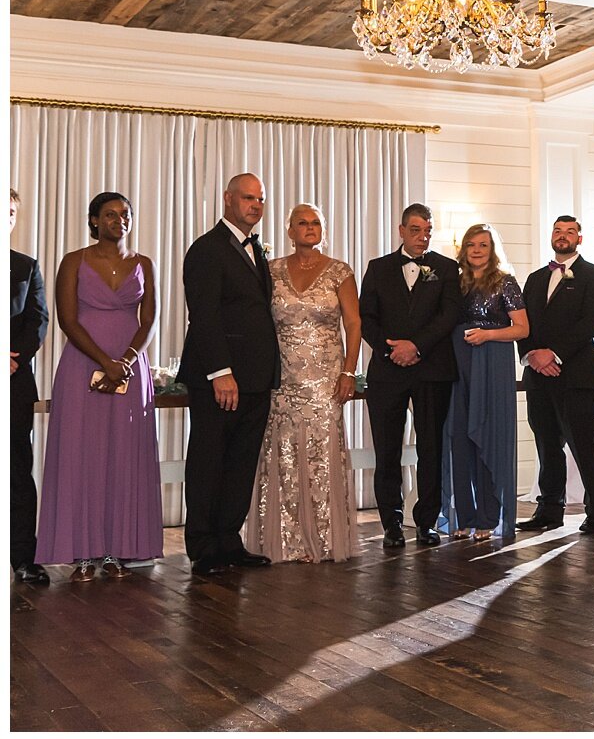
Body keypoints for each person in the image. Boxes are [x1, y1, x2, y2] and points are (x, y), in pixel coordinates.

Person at [38, 192, 162, 580]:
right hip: (82, 366)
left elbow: (150, 320)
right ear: (94, 221)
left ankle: (118, 549)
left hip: (130, 370)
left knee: (125, 454)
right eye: (110, 215)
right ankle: (82, 553)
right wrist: (104, 362)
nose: (119, 220)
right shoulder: (74, 261)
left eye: (125, 214)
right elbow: (66, 319)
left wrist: (124, 361)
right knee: (82, 454)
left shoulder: (144, 263)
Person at [247, 203, 362, 563]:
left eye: (315, 223)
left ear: (323, 230)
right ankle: (286, 538)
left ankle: (326, 538)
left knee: (321, 455)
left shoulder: (340, 271)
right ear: (289, 231)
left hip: (326, 378)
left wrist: (348, 372)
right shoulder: (271, 270)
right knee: (282, 453)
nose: (309, 228)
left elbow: (354, 325)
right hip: (282, 378)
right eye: (302, 223)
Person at [178, 174, 279, 576]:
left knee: (240, 462)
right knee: (209, 459)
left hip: (256, 377)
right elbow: (204, 316)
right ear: (227, 199)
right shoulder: (206, 249)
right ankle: (203, 547)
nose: (255, 205)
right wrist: (221, 372)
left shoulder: (258, 250)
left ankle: (229, 541)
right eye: (248, 198)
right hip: (219, 376)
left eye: (261, 199)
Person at [360, 203, 461, 548]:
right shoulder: (378, 268)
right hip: (387, 372)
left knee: (431, 447)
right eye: (416, 230)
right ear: (401, 230)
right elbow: (366, 319)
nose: (422, 236)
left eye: (428, 230)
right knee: (387, 449)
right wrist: (392, 351)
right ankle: (391, 522)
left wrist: (416, 346)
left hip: (432, 369)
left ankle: (428, 521)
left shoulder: (447, 269)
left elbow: (449, 315)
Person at [517, 215, 594, 534]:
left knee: (583, 443)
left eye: (570, 231)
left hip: (577, 375)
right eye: (558, 230)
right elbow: (522, 322)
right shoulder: (534, 278)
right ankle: (549, 509)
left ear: (579, 239)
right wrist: (532, 355)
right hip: (538, 375)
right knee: (546, 443)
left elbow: (590, 322)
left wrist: (553, 354)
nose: (563, 236)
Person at [443, 224, 528, 542]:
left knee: (489, 438)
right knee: (459, 437)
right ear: (463, 249)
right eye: (471, 245)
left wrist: (488, 334)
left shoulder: (504, 282)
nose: (477, 250)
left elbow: (522, 328)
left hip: (492, 364)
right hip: (459, 363)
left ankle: (488, 517)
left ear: (492, 249)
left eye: (483, 245)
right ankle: (463, 516)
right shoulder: (455, 283)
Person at [10, 189, 49, 585]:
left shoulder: (25, 266)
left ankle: (23, 558)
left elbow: (38, 319)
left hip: (13, 382)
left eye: (10, 213)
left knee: (18, 474)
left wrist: (13, 356)